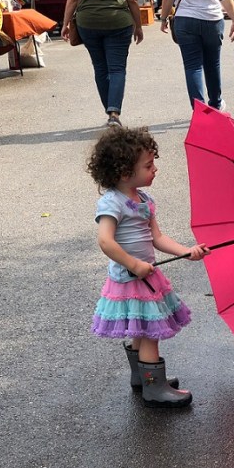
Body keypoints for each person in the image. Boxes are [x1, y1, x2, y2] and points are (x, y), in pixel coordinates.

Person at [88, 126, 209, 408]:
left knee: (141, 329)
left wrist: (186, 251)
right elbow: (105, 241)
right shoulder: (112, 203)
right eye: (148, 165)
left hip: (146, 275)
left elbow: (157, 238)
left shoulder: (144, 200)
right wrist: (134, 264)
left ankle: (141, 377)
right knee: (150, 334)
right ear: (124, 172)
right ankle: (154, 388)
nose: (155, 169)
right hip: (131, 277)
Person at [61, 0, 143, 128]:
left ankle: (110, 111)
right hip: (118, 22)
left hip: (88, 23)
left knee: (100, 68)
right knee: (117, 69)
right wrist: (139, 26)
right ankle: (114, 113)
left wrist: (65, 24)